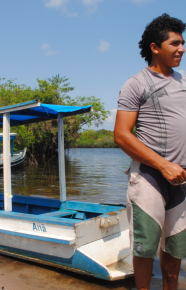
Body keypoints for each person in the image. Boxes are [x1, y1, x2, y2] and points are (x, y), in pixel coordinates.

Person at [114, 14, 186, 290]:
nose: (181, 48)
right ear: (155, 47)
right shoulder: (137, 83)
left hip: (182, 180)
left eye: (183, 43)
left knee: (176, 246)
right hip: (149, 177)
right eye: (175, 43)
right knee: (145, 248)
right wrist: (163, 165)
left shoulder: (183, 83)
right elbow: (121, 134)